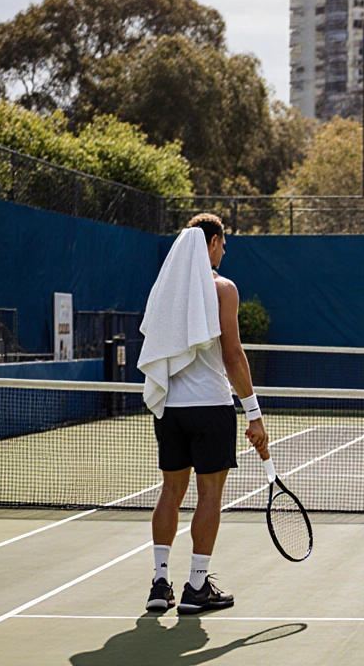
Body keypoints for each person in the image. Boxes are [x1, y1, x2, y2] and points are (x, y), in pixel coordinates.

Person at [138, 214, 268, 615]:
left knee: (170, 492)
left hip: (170, 410)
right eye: (223, 244)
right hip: (210, 408)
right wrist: (254, 413)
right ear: (211, 242)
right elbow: (233, 354)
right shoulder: (223, 290)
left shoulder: (165, 293)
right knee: (209, 494)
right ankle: (197, 588)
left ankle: (160, 585)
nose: (224, 252)